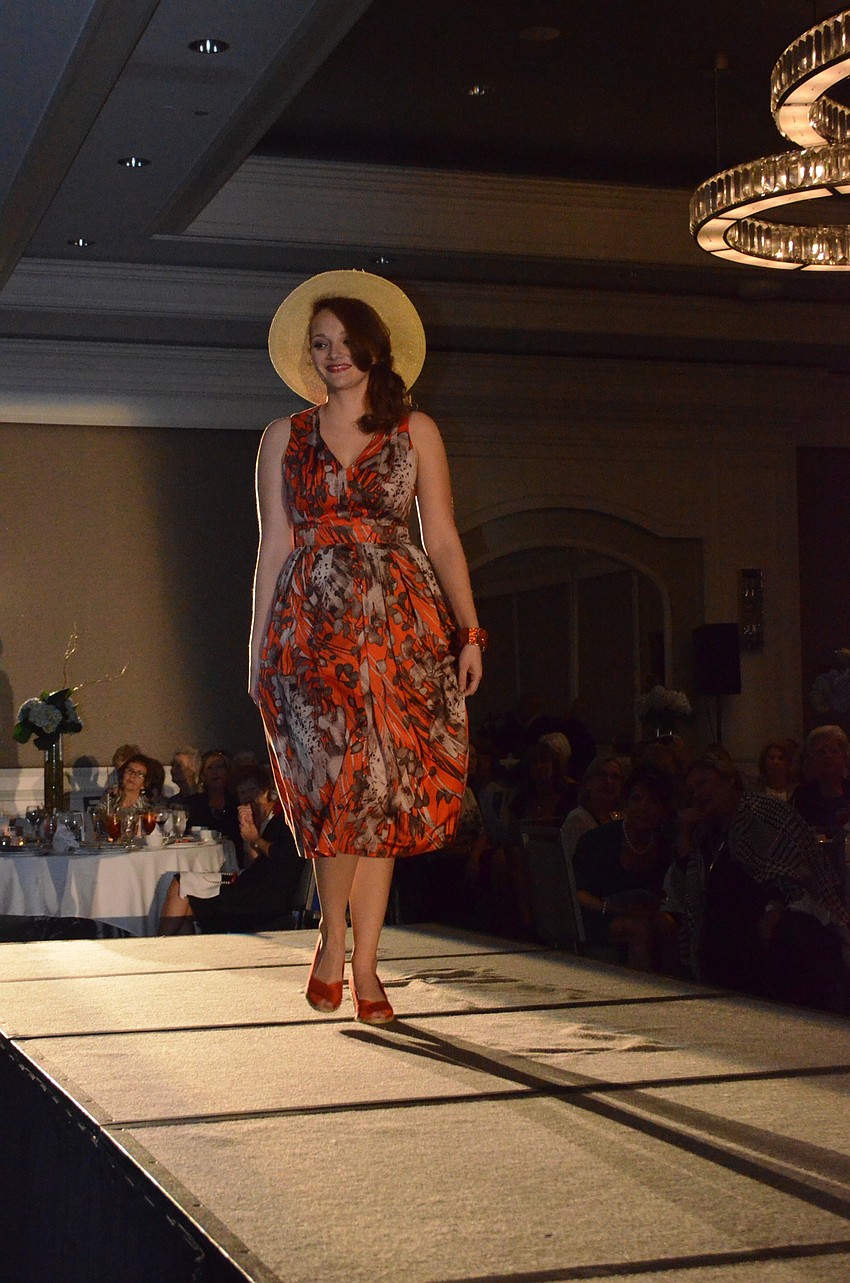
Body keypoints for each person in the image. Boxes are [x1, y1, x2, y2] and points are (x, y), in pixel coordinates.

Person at [250, 271, 484, 1024]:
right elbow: (274, 546)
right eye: (320, 344)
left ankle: (369, 964)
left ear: (375, 349)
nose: (333, 355)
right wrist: (256, 646)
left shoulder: (417, 432)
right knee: (336, 794)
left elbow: (440, 537)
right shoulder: (282, 437)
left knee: (382, 795)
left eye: (345, 342)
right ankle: (329, 939)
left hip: (399, 631)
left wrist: (470, 628)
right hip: (312, 632)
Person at [673, 755, 849, 1010]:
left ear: (728, 781)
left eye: (703, 783)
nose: (698, 794)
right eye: (692, 790)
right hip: (724, 931)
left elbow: (794, 872)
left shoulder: (761, 812)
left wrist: (775, 905)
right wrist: (684, 840)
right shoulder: (705, 832)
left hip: (779, 919)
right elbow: (689, 896)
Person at [159, 766, 303, 934]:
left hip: (263, 898)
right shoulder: (256, 820)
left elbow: (284, 857)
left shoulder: (284, 818)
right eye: (242, 793)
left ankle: (158, 947)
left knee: (181, 885)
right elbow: (255, 862)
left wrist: (255, 839)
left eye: (252, 790)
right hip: (251, 886)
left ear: (266, 791)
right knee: (182, 904)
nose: (248, 797)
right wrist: (250, 838)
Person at [573, 764, 679, 972]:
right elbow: (575, 891)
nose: (644, 808)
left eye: (654, 802)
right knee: (639, 928)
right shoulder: (599, 840)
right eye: (637, 799)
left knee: (666, 925)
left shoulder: (664, 844)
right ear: (625, 803)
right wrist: (608, 907)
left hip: (643, 914)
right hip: (598, 914)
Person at [560, 753, 625, 863]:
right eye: (602, 775)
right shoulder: (578, 820)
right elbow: (568, 863)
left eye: (615, 777)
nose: (608, 781)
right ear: (588, 783)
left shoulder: (619, 819)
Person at [790, 725, 850, 837]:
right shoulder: (801, 796)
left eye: (834, 751)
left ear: (844, 758)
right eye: (821, 752)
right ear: (812, 759)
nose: (828, 756)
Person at [184, 750, 242, 850]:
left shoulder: (238, 802)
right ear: (202, 775)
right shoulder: (193, 803)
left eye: (219, 767)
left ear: (228, 773)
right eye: (209, 768)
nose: (215, 772)